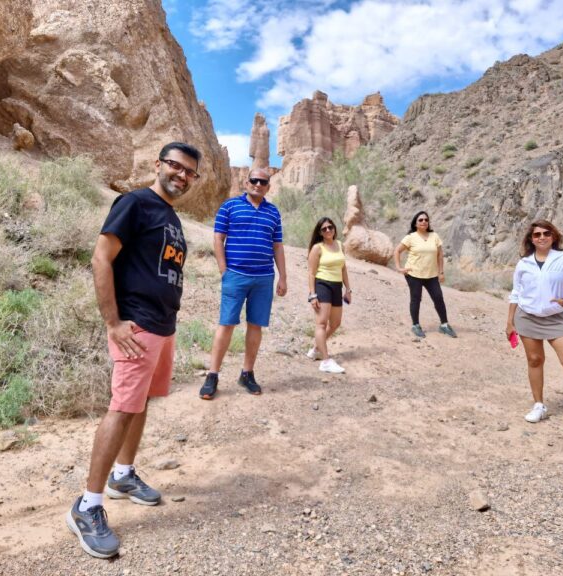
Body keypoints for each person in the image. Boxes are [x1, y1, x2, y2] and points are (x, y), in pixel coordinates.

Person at [66, 142, 201, 559]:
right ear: (158, 165)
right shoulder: (136, 203)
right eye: (175, 166)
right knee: (123, 407)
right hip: (136, 325)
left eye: (189, 172)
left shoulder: (171, 216)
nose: (181, 175)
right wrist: (113, 321)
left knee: (140, 404)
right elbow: (101, 258)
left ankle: (122, 476)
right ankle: (87, 506)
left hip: (162, 326)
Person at [199, 168, 287, 400]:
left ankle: (247, 373)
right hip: (235, 275)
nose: (258, 184)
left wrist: (283, 277)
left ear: (268, 186)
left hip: (264, 278)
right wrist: (223, 271)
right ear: (246, 182)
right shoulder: (229, 206)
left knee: (256, 325)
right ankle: (212, 375)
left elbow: (277, 246)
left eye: (263, 182)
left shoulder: (273, 212)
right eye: (254, 180)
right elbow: (218, 238)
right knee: (226, 324)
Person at [506, 220, 563, 436]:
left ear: (554, 236)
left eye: (546, 233)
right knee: (535, 360)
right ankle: (539, 405)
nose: (541, 237)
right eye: (537, 235)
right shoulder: (524, 263)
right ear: (531, 239)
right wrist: (510, 321)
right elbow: (516, 292)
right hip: (527, 316)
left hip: (558, 318)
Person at [393, 211, 457, 339]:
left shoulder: (434, 236)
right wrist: (399, 267)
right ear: (416, 223)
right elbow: (397, 251)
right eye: (420, 220)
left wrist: (441, 272)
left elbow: (440, 255)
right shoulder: (410, 237)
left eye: (426, 220)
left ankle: (444, 325)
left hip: (432, 275)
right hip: (414, 274)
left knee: (438, 298)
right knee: (416, 299)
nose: (424, 222)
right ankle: (415, 325)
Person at [306, 217, 351, 374]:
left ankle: (317, 348)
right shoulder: (317, 248)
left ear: (334, 228)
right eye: (324, 229)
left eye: (330, 227)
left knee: (336, 323)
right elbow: (311, 273)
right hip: (322, 285)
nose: (327, 230)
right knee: (321, 323)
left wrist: (348, 289)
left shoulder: (340, 245)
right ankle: (325, 361)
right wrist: (313, 295)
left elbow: (343, 268)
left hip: (337, 286)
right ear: (320, 232)